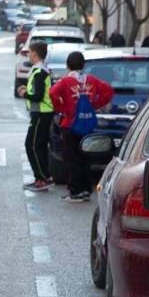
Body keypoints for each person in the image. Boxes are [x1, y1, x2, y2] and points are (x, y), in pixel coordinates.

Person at [50, 51, 114, 202]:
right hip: (87, 124)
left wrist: (61, 108)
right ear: (83, 65)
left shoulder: (65, 81)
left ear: (67, 65)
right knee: (86, 157)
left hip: (70, 123)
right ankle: (86, 189)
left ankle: (75, 191)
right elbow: (108, 91)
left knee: (72, 158)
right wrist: (94, 105)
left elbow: (52, 93)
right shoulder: (91, 80)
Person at [17, 42, 54, 191]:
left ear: (35, 54)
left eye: (29, 52)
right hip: (41, 113)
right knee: (39, 145)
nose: (28, 55)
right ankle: (44, 176)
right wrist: (27, 89)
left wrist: (24, 93)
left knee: (32, 145)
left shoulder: (39, 72)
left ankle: (41, 178)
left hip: (41, 113)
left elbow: (38, 96)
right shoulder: (39, 71)